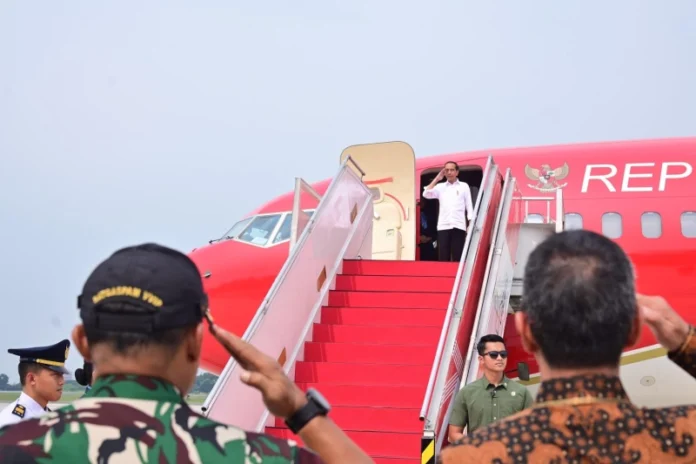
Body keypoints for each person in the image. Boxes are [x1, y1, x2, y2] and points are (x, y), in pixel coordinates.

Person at [0, 243, 372, 463]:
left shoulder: (13, 447)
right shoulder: (255, 455)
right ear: (195, 343)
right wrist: (300, 409)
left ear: (82, 342)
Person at [439, 229, 696, 463]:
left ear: (526, 332)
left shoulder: (469, 456)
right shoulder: (679, 437)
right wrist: (684, 341)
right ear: (634, 330)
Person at [448, 334, 532, 441]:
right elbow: (453, 434)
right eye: (493, 355)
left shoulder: (522, 392)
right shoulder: (467, 393)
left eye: (503, 354)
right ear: (481, 359)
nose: (500, 358)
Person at [0, 339, 70, 427]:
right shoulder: (12, 422)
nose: (62, 381)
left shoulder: (51, 417)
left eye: (62, 375)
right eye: (56, 375)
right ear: (32, 379)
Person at [422, 161, 475, 262]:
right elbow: (426, 194)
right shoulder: (440, 187)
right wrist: (437, 179)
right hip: (443, 225)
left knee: (458, 255)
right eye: (446, 170)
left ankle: (456, 277)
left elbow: (469, 205)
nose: (449, 172)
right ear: (444, 172)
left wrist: (470, 223)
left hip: (459, 225)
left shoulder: (464, 186)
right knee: (443, 256)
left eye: (452, 170)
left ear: (457, 172)